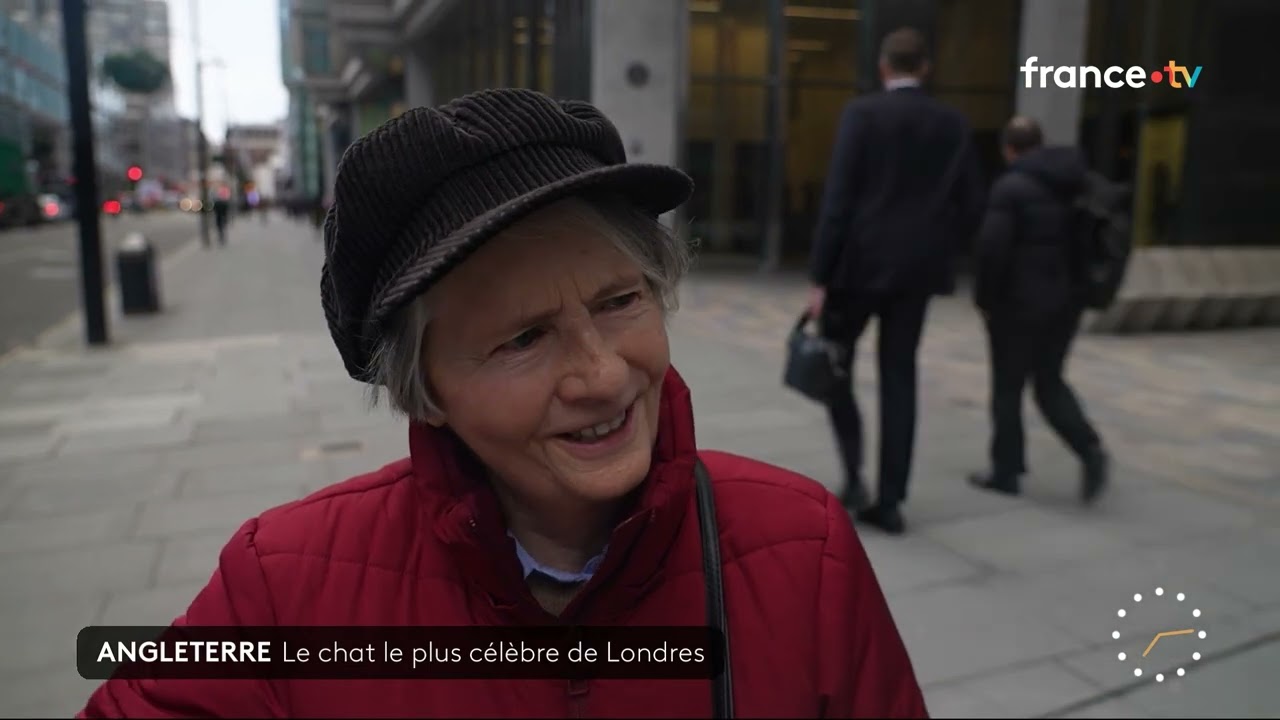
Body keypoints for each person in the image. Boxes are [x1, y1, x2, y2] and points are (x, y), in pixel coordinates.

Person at [78, 89, 927, 718]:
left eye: (618, 302)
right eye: (523, 339)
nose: (600, 375)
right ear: (428, 391)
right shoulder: (284, 584)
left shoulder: (803, 548)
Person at [807, 27, 986, 535]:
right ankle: (890, 500)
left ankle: (854, 473)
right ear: (924, 68)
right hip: (917, 270)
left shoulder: (862, 115)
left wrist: (820, 274)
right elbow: (974, 203)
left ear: (885, 68)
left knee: (835, 364)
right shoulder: (951, 124)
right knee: (899, 376)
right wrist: (939, 242)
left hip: (857, 266)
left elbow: (837, 201)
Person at [968, 116, 1109, 501]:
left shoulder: (1010, 188)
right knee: (1049, 381)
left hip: (1017, 305)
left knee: (1007, 389)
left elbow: (992, 251)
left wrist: (985, 300)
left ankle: (1006, 470)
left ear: (1008, 149)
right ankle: (1089, 448)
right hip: (1065, 302)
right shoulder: (1077, 182)